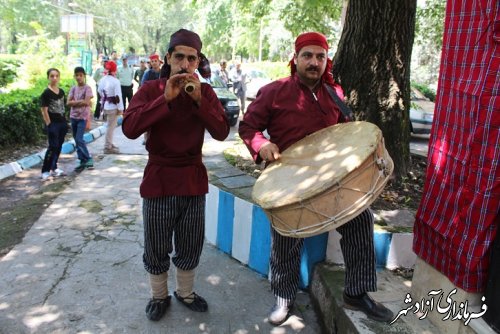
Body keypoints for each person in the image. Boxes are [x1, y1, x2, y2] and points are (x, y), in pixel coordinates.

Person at [238, 32, 394, 326]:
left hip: (330, 181)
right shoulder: (274, 91)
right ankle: (284, 298)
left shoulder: (335, 93)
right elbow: (248, 127)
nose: (314, 62)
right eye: (307, 56)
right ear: (295, 59)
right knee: (285, 239)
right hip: (290, 182)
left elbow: (346, 133)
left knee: (361, 220)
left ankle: (356, 292)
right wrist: (262, 145)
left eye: (320, 57)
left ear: (327, 60)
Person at [122, 28, 229, 322]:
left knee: (191, 242)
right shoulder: (149, 90)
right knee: (156, 244)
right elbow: (130, 129)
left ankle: (185, 292)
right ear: (168, 58)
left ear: (197, 62)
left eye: (191, 58)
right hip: (159, 178)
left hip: (193, 179)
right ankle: (159, 295)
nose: (184, 64)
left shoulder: (204, 92)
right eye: (179, 56)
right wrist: (165, 100)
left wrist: (198, 102)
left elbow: (221, 132)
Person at [39, 68, 68, 180]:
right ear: (48, 77)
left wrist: (65, 122)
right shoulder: (46, 93)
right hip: (53, 124)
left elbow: (62, 107)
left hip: (62, 123)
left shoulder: (61, 92)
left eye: (56, 76)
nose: (54, 78)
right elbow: (44, 110)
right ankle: (45, 170)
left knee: (59, 147)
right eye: (52, 76)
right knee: (52, 147)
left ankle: (54, 167)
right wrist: (49, 124)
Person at [67, 66, 94, 171]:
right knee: (76, 140)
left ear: (84, 76)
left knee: (79, 139)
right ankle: (82, 160)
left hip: (82, 117)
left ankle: (88, 158)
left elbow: (87, 102)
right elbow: (68, 103)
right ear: (74, 76)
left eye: (80, 75)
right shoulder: (73, 88)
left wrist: (74, 102)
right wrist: (80, 102)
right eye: (76, 75)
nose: (78, 77)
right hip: (73, 117)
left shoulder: (88, 88)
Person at [98, 61, 123, 154]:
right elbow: (118, 96)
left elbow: (99, 90)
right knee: (110, 127)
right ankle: (107, 146)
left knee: (110, 126)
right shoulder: (115, 81)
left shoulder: (103, 79)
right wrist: (121, 108)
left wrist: (105, 97)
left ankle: (110, 143)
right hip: (113, 107)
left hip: (106, 105)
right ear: (114, 70)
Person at [93, 55, 108, 120]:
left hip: (107, 88)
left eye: (107, 61)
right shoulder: (99, 69)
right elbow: (94, 77)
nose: (106, 63)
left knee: (107, 101)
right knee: (99, 101)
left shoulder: (109, 70)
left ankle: (105, 116)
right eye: (104, 61)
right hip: (99, 87)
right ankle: (96, 115)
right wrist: (98, 83)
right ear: (102, 62)